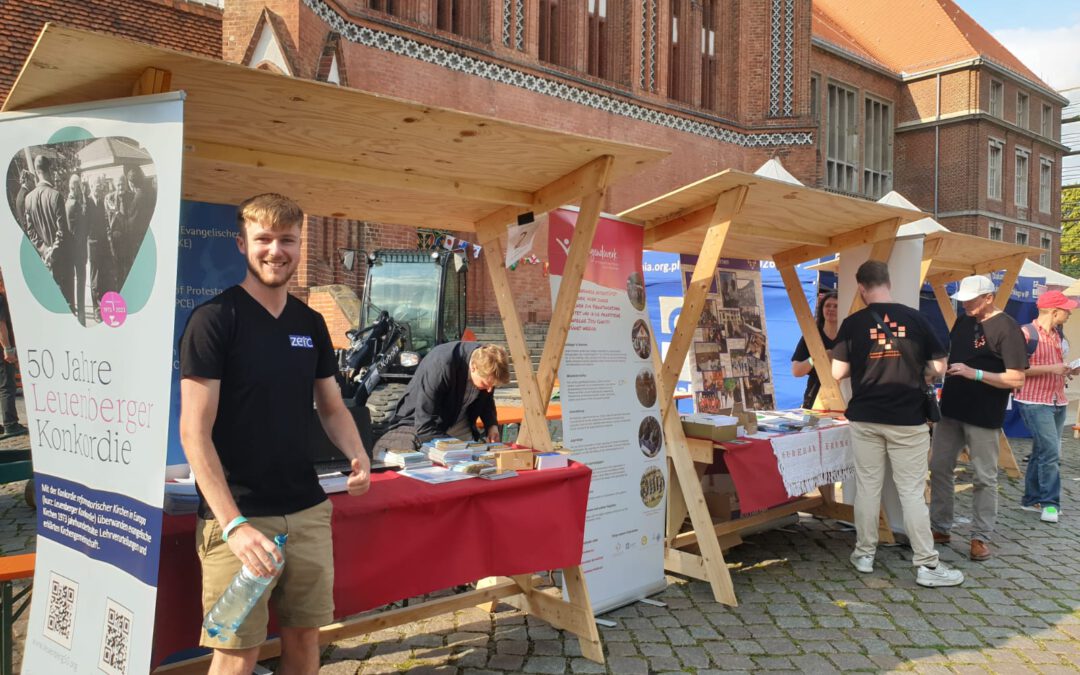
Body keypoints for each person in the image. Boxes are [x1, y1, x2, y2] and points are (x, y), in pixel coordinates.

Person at [179, 193, 370, 674]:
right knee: (236, 653)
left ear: (300, 245)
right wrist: (233, 525)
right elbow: (193, 433)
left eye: (287, 239)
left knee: (305, 640)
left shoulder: (311, 323)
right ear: (242, 243)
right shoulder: (214, 320)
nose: (276, 250)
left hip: (306, 511)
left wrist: (356, 451)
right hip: (240, 518)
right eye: (264, 239)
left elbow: (331, 406)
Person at [831, 260, 963, 587]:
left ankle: (863, 554)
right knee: (912, 493)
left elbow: (837, 373)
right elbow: (938, 365)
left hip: (864, 417)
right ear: (887, 283)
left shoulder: (852, 323)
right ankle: (927, 566)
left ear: (861, 288)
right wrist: (924, 371)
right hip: (908, 418)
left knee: (867, 488)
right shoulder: (915, 318)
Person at [928, 275, 1026, 561]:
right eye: (964, 300)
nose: (966, 304)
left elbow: (1017, 378)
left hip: (984, 414)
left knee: (984, 476)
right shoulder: (963, 321)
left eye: (971, 300)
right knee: (939, 466)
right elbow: (952, 356)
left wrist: (977, 374)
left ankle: (980, 537)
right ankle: (940, 527)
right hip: (952, 409)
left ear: (988, 298)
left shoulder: (1007, 328)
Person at [374, 342, 510, 455]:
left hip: (460, 424)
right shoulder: (441, 365)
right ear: (473, 367)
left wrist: (491, 425)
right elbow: (425, 424)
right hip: (425, 424)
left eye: (493, 386)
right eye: (486, 384)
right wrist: (455, 447)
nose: (489, 390)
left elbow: (486, 400)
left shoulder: (486, 360)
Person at [1014, 290, 1079, 525]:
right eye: (1066, 309)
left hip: (1056, 399)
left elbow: (1055, 367)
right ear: (1054, 311)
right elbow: (1016, 368)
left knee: (1042, 450)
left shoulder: (1056, 335)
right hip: (1034, 400)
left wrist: (1068, 369)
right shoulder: (1025, 333)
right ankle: (1051, 504)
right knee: (1051, 452)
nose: (1070, 312)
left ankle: (1031, 499)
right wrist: (1053, 368)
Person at [22, 155, 69, 294]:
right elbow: (62, 231)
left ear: (37, 172)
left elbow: (30, 232)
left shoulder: (28, 199)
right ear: (50, 170)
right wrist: (53, 252)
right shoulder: (56, 196)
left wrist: (44, 250)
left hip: (45, 261)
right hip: (61, 261)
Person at [791, 291, 839, 409]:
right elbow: (796, 371)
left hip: (844, 399)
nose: (831, 309)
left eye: (836, 306)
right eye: (827, 305)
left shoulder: (848, 335)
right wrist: (817, 358)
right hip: (815, 401)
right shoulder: (811, 335)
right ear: (822, 309)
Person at [0, 272, 27, 440]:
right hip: (2, 350)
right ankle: (10, 424)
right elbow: (1, 325)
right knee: (6, 386)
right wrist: (8, 349)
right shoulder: (1, 298)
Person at [86, 177, 113, 320]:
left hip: (103, 244)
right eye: (96, 186)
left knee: (103, 275)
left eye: (99, 187)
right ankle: (96, 309)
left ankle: (104, 304)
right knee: (95, 278)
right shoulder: (88, 202)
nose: (98, 189)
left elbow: (105, 221)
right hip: (93, 244)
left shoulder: (102, 202)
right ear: (91, 187)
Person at [65, 174, 88, 324]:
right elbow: (78, 232)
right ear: (74, 187)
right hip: (78, 251)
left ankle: (79, 316)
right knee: (80, 284)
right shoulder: (75, 205)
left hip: (73, 251)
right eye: (79, 186)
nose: (80, 189)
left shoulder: (68, 202)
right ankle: (81, 318)